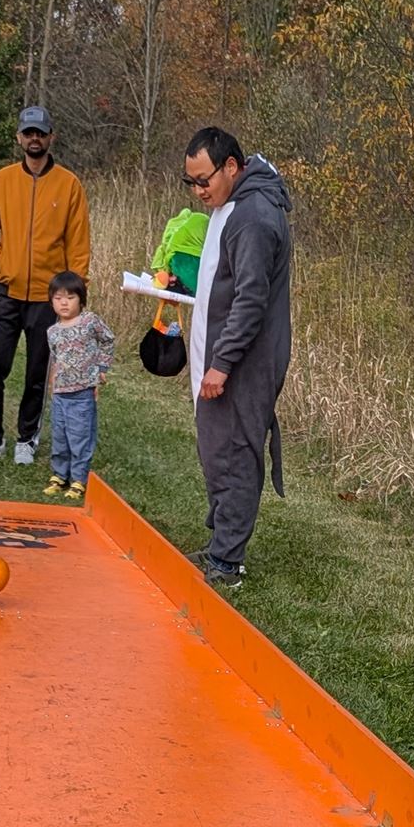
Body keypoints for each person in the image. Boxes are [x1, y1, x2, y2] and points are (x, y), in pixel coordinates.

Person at [182, 126, 293, 592]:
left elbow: (251, 300)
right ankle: (220, 542)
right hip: (223, 353)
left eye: (203, 180)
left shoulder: (254, 216)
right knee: (217, 448)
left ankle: (228, 562)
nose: (197, 191)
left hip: (246, 360)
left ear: (231, 166)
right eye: (190, 182)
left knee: (236, 454)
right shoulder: (232, 204)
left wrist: (222, 362)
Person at [0, 104, 90, 467]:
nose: (34, 138)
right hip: (8, 290)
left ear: (51, 137)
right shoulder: (3, 180)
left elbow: (79, 244)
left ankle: (26, 439)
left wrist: (73, 294)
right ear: (19, 137)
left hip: (48, 297)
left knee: (37, 371)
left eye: (40, 133)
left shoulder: (69, 184)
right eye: (28, 133)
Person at [42, 271, 113, 503]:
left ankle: (78, 478)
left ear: (81, 299)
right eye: (58, 298)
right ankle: (59, 475)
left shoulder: (89, 321)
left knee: (80, 435)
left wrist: (101, 368)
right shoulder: (52, 332)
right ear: (51, 301)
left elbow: (108, 339)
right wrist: (53, 382)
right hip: (60, 393)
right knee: (60, 435)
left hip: (82, 392)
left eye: (70, 297)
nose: (64, 303)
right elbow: (55, 358)